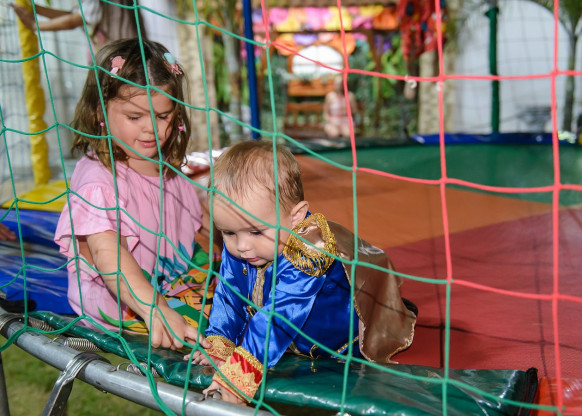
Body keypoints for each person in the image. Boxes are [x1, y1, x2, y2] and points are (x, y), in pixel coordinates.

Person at [190, 140, 417, 404]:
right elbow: (229, 293)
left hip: (338, 341)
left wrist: (241, 373)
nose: (242, 246)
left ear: (296, 216)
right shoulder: (244, 243)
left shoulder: (309, 248)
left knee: (350, 387)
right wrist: (219, 341)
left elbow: (280, 313)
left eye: (256, 232)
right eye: (228, 232)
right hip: (289, 338)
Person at [54, 38, 210, 351]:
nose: (151, 129)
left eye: (163, 116)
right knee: (223, 329)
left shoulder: (163, 167)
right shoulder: (99, 183)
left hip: (172, 283)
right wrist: (155, 309)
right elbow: (109, 256)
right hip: (123, 306)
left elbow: (203, 222)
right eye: (135, 117)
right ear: (100, 110)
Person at [10, 0, 146, 52]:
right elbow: (73, 15)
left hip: (124, 54)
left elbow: (73, 20)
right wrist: (36, 9)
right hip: (124, 51)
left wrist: (35, 25)